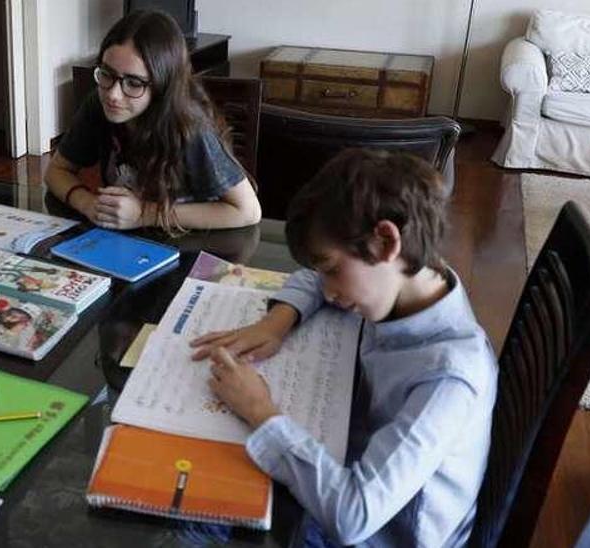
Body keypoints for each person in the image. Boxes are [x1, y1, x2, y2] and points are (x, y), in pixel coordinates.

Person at [190, 149, 498, 547]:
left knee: (194, 514)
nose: (329, 289)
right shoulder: (416, 277)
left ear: (386, 240)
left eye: (333, 270)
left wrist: (260, 411)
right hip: (348, 447)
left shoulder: (449, 376)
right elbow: (316, 276)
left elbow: (355, 516)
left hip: (382, 532)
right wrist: (277, 321)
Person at [44, 9, 260, 232]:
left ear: (162, 87)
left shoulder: (190, 127)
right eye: (106, 74)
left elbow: (248, 211)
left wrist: (143, 214)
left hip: (187, 243)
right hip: (122, 241)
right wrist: (88, 204)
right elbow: (56, 171)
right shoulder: (98, 105)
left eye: (134, 83)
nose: (113, 95)